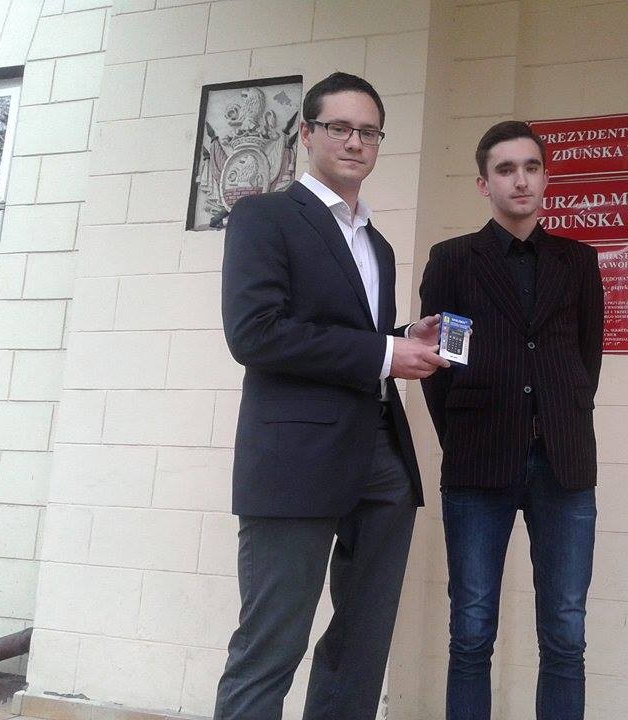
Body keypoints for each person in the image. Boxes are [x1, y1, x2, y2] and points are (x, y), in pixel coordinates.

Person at [214, 71, 448, 720]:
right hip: (295, 460)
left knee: (361, 649)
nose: (354, 142)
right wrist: (384, 353)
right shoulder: (263, 217)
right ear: (307, 133)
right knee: (271, 646)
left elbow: (349, 338)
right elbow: (255, 334)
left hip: (382, 458)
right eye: (339, 127)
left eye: (369, 132)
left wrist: (401, 339)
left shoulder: (378, 245)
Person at [419, 120, 605, 720]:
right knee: (471, 632)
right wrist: (464, 434)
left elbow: (587, 357)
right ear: (484, 184)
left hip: (563, 463)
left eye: (531, 167)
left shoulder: (578, 261)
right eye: (505, 169)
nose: (520, 180)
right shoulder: (453, 260)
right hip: (478, 462)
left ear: (545, 177)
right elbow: (441, 363)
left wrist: (558, 416)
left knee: (566, 632)